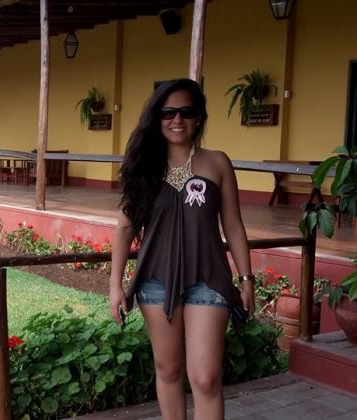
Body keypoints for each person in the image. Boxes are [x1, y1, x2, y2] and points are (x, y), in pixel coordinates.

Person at [108, 78, 255, 420]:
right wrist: (115, 285)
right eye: (168, 112)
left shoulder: (217, 163)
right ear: (157, 118)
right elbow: (125, 227)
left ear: (199, 117)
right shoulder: (144, 166)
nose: (177, 119)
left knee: (206, 377)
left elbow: (233, 225)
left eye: (186, 112)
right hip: (155, 280)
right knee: (169, 368)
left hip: (208, 279)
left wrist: (246, 279)